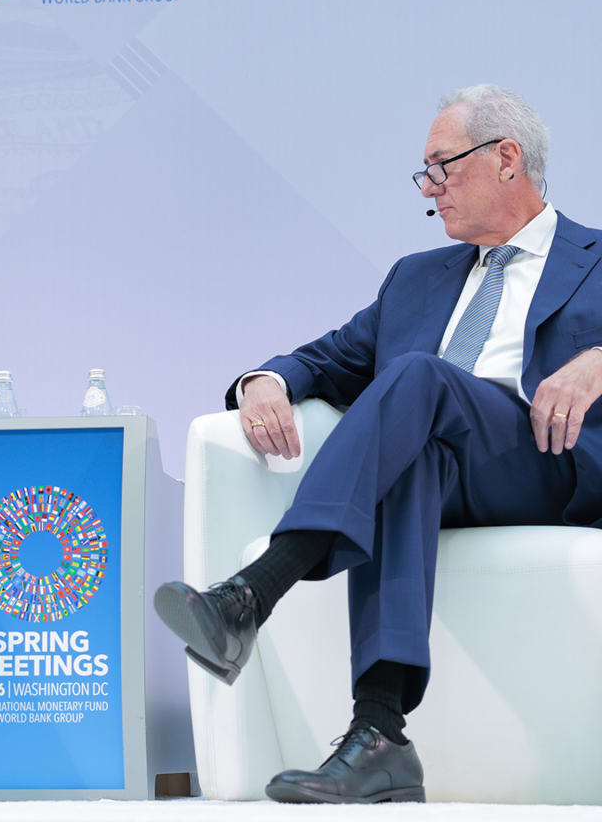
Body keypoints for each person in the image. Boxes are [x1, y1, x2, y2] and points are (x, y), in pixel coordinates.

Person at [155, 84, 602, 805]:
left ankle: (254, 593)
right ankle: (380, 735)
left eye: (441, 167)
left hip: (550, 466)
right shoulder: (416, 278)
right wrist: (265, 379)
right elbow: (328, 358)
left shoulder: (597, 257)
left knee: (418, 378)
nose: (430, 190)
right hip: (445, 464)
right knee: (410, 450)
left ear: (507, 158)